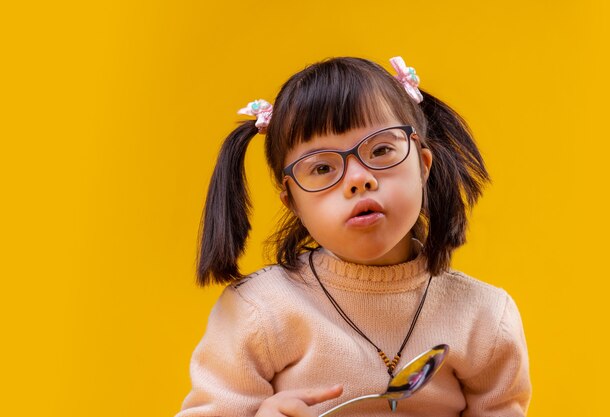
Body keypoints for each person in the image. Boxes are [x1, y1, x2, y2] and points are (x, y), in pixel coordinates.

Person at [175, 55, 531, 417]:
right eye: (323, 168)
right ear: (292, 201)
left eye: (380, 150)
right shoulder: (260, 313)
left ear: (423, 165)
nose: (359, 179)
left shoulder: (484, 316)